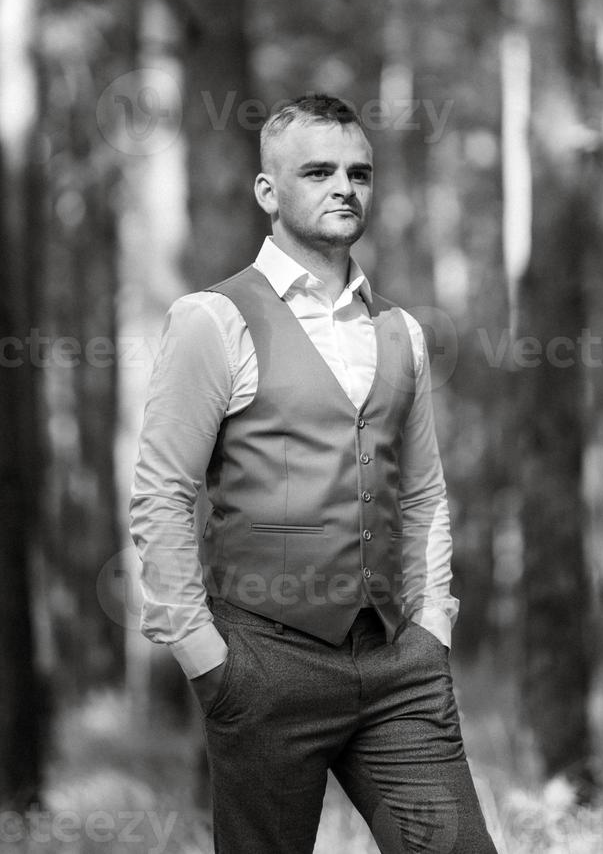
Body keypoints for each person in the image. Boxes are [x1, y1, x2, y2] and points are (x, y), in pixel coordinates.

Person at [129, 94, 498, 853]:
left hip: (400, 664)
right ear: (269, 192)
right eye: (319, 171)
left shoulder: (402, 330)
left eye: (358, 172)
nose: (344, 187)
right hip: (263, 665)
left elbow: (422, 488)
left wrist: (432, 624)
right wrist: (205, 657)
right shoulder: (214, 318)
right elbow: (162, 494)